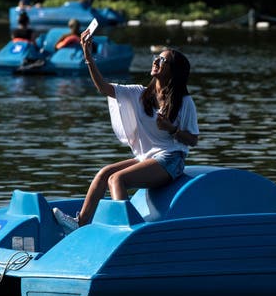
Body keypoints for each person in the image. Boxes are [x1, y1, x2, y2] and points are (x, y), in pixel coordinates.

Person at [52, 36, 199, 234]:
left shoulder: (184, 101)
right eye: (156, 57)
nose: (156, 61)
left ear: (173, 71)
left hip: (172, 159)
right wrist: (89, 58)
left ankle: (128, 230)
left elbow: (193, 140)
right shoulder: (139, 94)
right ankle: (80, 223)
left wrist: (171, 129)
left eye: (162, 60)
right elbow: (103, 88)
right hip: (147, 158)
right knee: (104, 174)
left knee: (117, 179)